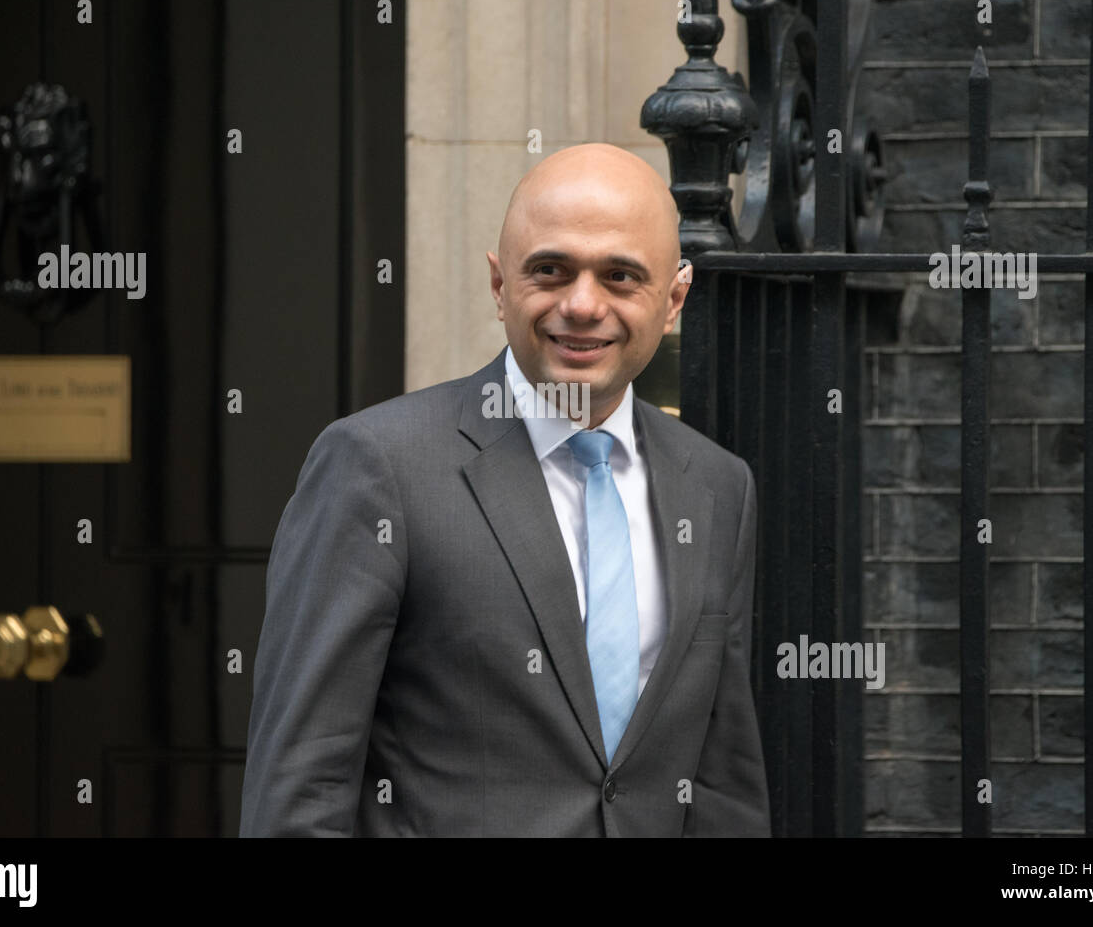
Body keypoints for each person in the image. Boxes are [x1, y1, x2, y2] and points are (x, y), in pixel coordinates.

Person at [239, 143, 770, 836]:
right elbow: (301, 785)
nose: (582, 305)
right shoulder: (378, 468)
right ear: (498, 286)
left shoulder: (719, 489)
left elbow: (722, 784)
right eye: (550, 270)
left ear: (673, 300)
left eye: (620, 276)